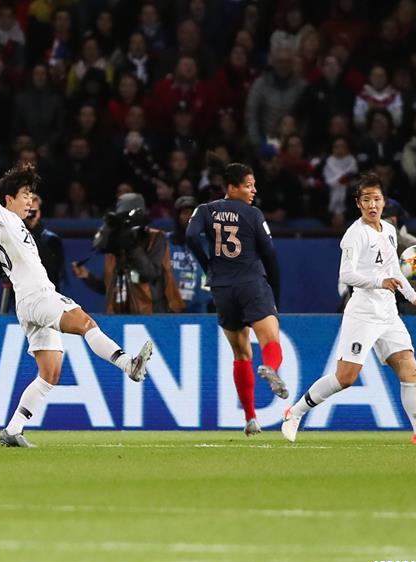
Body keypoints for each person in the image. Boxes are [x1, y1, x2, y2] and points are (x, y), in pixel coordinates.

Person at [0, 137, 153, 448]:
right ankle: (128, 365)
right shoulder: (3, 218)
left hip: (27, 302)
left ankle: (13, 430)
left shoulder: (16, 225)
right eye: (24, 196)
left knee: (50, 373)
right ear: (9, 199)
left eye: (31, 196)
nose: (29, 201)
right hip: (38, 296)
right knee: (86, 323)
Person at [281, 173, 416, 445]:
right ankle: (295, 412)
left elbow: (395, 271)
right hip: (363, 313)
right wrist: (379, 282)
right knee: (346, 378)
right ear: (358, 203)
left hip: (389, 312)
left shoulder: (389, 231)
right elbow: (346, 274)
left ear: (383, 202)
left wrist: (414, 299)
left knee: (410, 369)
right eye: (367, 200)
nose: (372, 205)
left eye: (377, 199)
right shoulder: (355, 234)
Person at [185, 163, 287, 437]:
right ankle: (271, 368)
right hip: (251, 283)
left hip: (222, 288)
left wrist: (209, 266)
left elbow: (191, 236)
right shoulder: (253, 214)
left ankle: (251, 417)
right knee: (270, 339)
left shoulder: (205, 210)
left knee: (241, 353)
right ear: (231, 188)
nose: (254, 191)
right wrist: (275, 295)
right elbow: (269, 254)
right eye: (248, 185)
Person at [72, 192, 184, 314]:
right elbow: (111, 286)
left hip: (150, 314)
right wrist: (88, 277)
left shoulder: (155, 238)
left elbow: (150, 274)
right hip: (120, 315)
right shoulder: (115, 242)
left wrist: (132, 246)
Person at [167, 196, 211, 313]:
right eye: (185, 213)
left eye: (193, 213)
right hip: (169, 309)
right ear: (177, 217)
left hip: (201, 309)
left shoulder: (209, 243)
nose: (190, 217)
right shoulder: (164, 242)